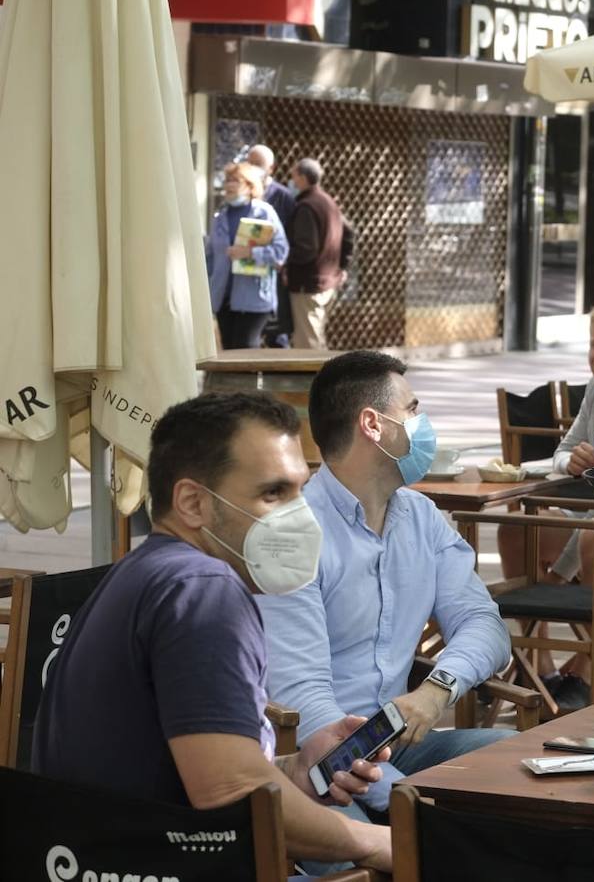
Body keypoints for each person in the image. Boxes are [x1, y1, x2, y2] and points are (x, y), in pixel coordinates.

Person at [33, 392, 391, 872]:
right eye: (273, 494)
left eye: (300, 491)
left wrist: (297, 770)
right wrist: (382, 843)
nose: (300, 516)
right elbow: (231, 794)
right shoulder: (203, 592)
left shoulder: (146, 573)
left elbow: (188, 769)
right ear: (193, 503)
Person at [255, 350, 512, 869]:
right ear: (374, 424)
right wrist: (391, 789)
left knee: (511, 764)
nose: (424, 424)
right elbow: (301, 696)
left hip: (401, 743)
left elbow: (485, 625)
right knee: (370, 846)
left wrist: (438, 690)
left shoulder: (422, 517)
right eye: (413, 408)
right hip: (318, 759)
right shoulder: (290, 535)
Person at [495, 299, 594, 711]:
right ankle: (537, 663)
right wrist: (573, 462)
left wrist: (556, 578)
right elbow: (563, 451)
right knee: (517, 529)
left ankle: (584, 668)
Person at [207, 162, 290, 348]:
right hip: (223, 298)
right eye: (227, 180)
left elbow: (280, 250)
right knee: (228, 352)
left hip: (254, 298)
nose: (229, 185)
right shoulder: (220, 217)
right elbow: (210, 257)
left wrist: (250, 252)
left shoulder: (264, 213)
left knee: (245, 349)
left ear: (249, 185)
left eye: (235, 180)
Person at [285, 158, 355, 349]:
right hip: (327, 281)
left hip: (308, 284)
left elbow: (306, 250)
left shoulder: (307, 206)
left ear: (302, 178)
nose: (291, 181)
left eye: (293, 176)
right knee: (316, 336)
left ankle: (316, 379)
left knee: (308, 343)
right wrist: (342, 267)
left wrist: (284, 261)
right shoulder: (328, 202)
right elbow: (349, 234)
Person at [247, 144, 297, 348]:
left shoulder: (282, 196)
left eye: (258, 164)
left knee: (277, 331)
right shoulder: (244, 194)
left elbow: (290, 236)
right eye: (250, 163)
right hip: (247, 272)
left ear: (271, 168)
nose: (253, 168)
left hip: (273, 270)